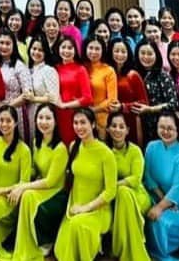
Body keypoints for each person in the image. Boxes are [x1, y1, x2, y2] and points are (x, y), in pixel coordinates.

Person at [53, 108, 116, 261]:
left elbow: (110, 191)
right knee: (60, 250)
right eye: (76, 123)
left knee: (78, 225)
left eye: (83, 122)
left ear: (93, 124)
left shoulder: (106, 153)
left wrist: (85, 208)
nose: (79, 127)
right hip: (75, 206)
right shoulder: (73, 146)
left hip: (98, 210)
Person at [11, 104, 68, 261]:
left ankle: (45, 240)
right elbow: (35, 170)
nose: (44, 122)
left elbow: (50, 181)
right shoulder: (37, 142)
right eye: (40, 118)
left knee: (27, 195)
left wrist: (23, 186)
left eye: (48, 118)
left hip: (56, 193)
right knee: (26, 195)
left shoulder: (60, 149)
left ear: (55, 122)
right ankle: (32, 240)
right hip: (41, 188)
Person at [143, 111, 179, 261]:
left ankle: (166, 252)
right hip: (161, 197)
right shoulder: (151, 147)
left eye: (170, 128)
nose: (165, 132)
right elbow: (149, 177)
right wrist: (162, 201)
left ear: (177, 130)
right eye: (162, 127)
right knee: (145, 214)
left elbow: (178, 189)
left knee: (161, 221)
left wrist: (161, 207)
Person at [0, 105, 31, 260]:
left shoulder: (24, 150)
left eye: (8, 121)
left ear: (15, 123)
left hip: (11, 197)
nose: (4, 124)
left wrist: (0, 191)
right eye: (1, 120)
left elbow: (24, 182)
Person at [104, 112, 152, 261]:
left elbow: (136, 179)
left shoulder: (135, 151)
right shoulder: (104, 152)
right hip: (111, 198)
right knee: (122, 194)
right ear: (107, 129)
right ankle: (126, 250)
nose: (117, 130)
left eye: (121, 126)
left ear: (127, 130)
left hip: (137, 195)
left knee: (124, 193)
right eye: (114, 126)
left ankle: (123, 251)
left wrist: (114, 186)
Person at [132, 41, 178, 144]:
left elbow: (173, 104)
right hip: (137, 124)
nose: (146, 57)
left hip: (159, 127)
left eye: (150, 54)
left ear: (156, 55)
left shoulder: (163, 76)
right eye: (142, 53)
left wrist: (150, 109)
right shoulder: (134, 74)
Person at [55, 36, 93, 145]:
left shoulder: (80, 69)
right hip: (58, 114)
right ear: (58, 49)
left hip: (74, 115)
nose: (66, 51)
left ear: (75, 50)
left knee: (74, 145)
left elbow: (88, 98)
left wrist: (65, 105)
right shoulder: (56, 68)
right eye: (63, 47)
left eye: (70, 48)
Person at [0, 31, 32, 141]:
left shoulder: (19, 66)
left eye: (8, 43)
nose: (4, 46)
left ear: (13, 46)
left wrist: (7, 107)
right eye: (1, 43)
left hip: (16, 112)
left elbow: (28, 94)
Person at [84, 38, 118, 136]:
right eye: (91, 48)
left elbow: (112, 100)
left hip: (102, 120)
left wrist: (93, 110)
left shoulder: (109, 70)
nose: (93, 52)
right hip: (82, 118)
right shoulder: (82, 68)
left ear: (103, 50)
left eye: (97, 49)